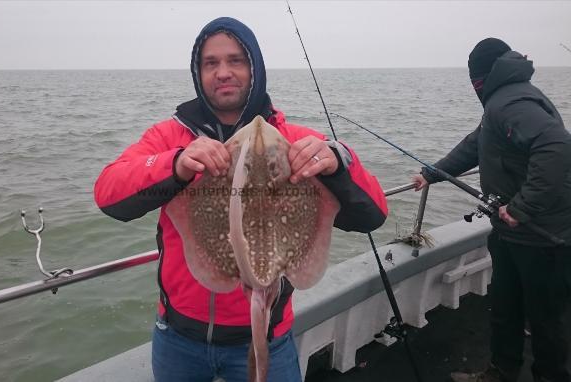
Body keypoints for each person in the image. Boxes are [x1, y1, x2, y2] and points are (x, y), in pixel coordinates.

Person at [94, 17, 388, 382]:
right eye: (211, 63)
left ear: (255, 68)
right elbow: (109, 193)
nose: (223, 72)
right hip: (179, 337)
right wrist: (176, 163)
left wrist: (337, 164)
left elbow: (372, 216)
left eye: (236, 60)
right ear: (197, 72)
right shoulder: (169, 137)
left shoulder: (295, 140)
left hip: (269, 334)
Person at [412, 38, 571, 382]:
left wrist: (523, 206)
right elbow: (476, 145)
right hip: (513, 232)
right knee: (505, 308)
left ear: (480, 77)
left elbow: (556, 145)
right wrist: (430, 173)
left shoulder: (513, 99)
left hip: (544, 237)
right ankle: (501, 372)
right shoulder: (502, 102)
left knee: (547, 322)